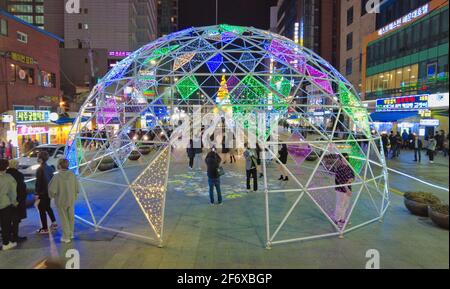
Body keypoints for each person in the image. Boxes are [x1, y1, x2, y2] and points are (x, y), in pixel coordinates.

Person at [49, 159, 80, 243]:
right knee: (71, 217)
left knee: (64, 218)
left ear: (59, 165)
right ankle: (71, 234)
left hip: (61, 201)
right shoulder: (72, 175)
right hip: (71, 200)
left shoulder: (57, 177)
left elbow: (52, 190)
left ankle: (66, 237)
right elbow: (77, 188)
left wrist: (52, 196)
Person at [35, 151, 58, 234]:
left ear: (41, 159)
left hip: (42, 192)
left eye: (38, 157)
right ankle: (54, 223)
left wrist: (37, 193)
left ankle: (44, 228)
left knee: (41, 209)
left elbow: (39, 182)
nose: (37, 159)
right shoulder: (50, 168)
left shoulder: (39, 169)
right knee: (48, 207)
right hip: (49, 191)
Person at [6, 160, 28, 243]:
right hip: (16, 200)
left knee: (7, 219)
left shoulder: (6, 174)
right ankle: (15, 236)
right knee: (16, 219)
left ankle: (7, 235)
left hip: (6, 200)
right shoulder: (19, 175)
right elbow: (21, 188)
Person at [0, 159, 18, 251]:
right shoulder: (8, 178)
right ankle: (6, 243)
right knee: (5, 224)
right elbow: (12, 193)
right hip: (4, 204)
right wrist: (14, 202)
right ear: (6, 166)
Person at [333, 153, 355, 228]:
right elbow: (340, 181)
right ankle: (337, 220)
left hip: (348, 189)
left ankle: (342, 219)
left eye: (346, 157)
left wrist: (350, 181)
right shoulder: (340, 168)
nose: (346, 159)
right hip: (341, 190)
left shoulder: (349, 166)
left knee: (345, 205)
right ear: (341, 159)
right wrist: (347, 189)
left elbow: (353, 176)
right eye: (344, 158)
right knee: (340, 205)